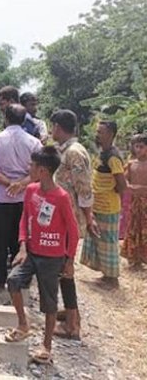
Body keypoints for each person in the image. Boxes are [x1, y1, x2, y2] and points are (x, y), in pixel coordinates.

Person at [5, 145, 79, 366]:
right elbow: (24, 219)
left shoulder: (61, 197)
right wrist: (23, 247)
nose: (29, 168)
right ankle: (23, 324)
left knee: (49, 302)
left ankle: (46, 346)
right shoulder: (31, 191)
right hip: (32, 253)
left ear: (43, 171)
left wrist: (69, 260)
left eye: (32, 166)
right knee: (13, 280)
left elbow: (73, 232)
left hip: (52, 257)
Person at [49, 110, 97, 340]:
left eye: (52, 127)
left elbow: (84, 189)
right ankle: (71, 314)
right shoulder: (66, 151)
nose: (51, 131)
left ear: (58, 126)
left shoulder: (74, 153)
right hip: (64, 218)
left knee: (66, 270)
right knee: (62, 269)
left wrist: (89, 218)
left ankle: (72, 326)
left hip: (70, 220)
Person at [0, 104, 42, 287]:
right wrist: (21, 184)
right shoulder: (34, 142)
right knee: (22, 239)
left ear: (5, 118)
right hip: (25, 199)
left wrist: (9, 183)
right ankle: (20, 279)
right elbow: (38, 171)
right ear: (24, 120)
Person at [81, 121, 126, 287]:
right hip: (97, 204)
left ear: (111, 134)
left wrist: (108, 193)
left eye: (101, 132)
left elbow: (122, 185)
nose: (98, 134)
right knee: (99, 241)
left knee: (108, 243)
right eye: (97, 131)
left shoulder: (113, 157)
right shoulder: (102, 153)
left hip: (108, 206)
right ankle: (106, 275)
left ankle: (112, 279)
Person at [122, 133, 147, 268]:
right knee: (133, 228)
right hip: (135, 203)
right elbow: (124, 182)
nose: (138, 149)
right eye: (136, 146)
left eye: (141, 147)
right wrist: (134, 188)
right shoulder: (131, 164)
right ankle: (134, 257)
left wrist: (138, 188)